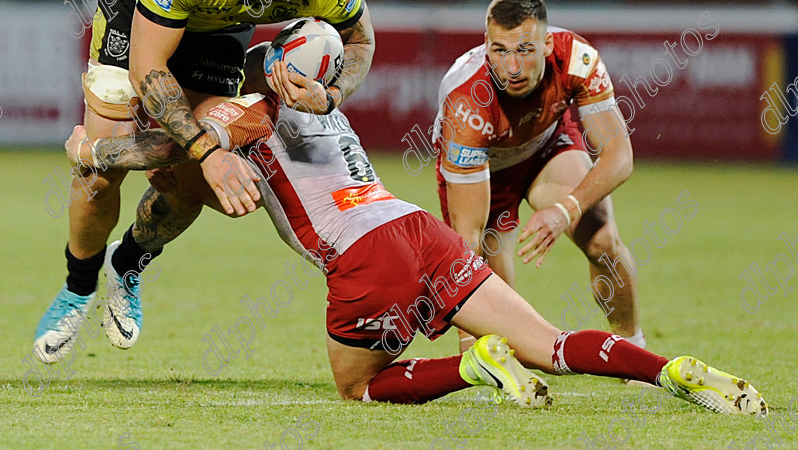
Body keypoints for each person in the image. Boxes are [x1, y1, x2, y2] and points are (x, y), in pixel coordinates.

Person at [61, 44, 767, 417]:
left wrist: (89, 152)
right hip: (416, 228)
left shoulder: (245, 110)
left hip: (363, 255)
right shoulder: (324, 108)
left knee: (358, 387)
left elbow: (164, 148)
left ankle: (470, 366)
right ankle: (669, 370)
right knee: (550, 342)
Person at [34, 0, 376, 362]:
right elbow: (148, 69)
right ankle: (78, 286)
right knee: (99, 177)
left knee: (193, 181)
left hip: (221, 26)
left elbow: (361, 40)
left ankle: (126, 263)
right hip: (137, 6)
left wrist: (333, 95)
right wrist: (210, 151)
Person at [432, 0, 642, 352]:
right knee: (495, 311)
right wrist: (472, 349)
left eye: (525, 50)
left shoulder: (576, 59)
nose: (512, 68)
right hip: (485, 173)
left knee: (602, 239)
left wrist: (564, 211)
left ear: (546, 44)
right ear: (486, 45)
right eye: (500, 51)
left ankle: (632, 349)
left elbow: (618, 156)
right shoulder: (466, 100)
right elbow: (467, 240)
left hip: (546, 148)